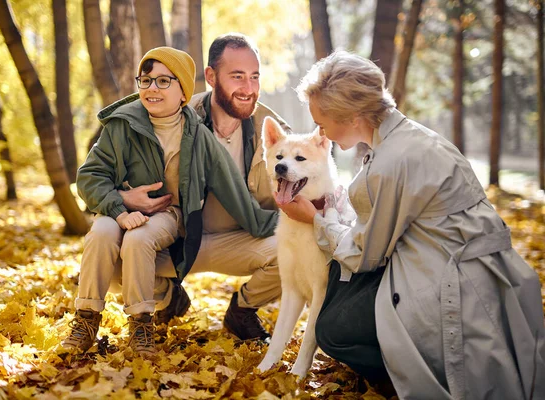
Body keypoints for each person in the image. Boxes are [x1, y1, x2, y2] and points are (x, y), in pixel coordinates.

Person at [279, 50, 545, 399]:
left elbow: (365, 256)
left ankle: (405, 370)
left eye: (323, 120)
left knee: (333, 328)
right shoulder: (412, 138)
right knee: (341, 293)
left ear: (354, 115)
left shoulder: (392, 162)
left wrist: (315, 219)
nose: (320, 129)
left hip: (450, 284)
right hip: (483, 271)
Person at [62, 47, 277, 356]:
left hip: (166, 214)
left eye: (164, 81)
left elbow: (235, 194)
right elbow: (89, 177)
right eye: (146, 80)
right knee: (100, 234)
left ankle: (140, 323)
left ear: (183, 92)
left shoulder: (198, 136)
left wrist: (289, 221)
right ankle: (85, 320)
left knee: (139, 238)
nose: (152, 88)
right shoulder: (121, 125)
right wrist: (119, 207)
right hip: (115, 207)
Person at [121, 33, 291, 341]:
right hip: (182, 241)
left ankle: (242, 311)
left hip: (243, 240)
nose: (248, 88)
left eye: (254, 77)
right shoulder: (173, 116)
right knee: (114, 255)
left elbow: (294, 196)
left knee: (297, 249)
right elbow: (115, 169)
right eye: (237, 77)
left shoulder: (275, 131)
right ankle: (167, 296)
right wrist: (122, 196)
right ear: (211, 77)